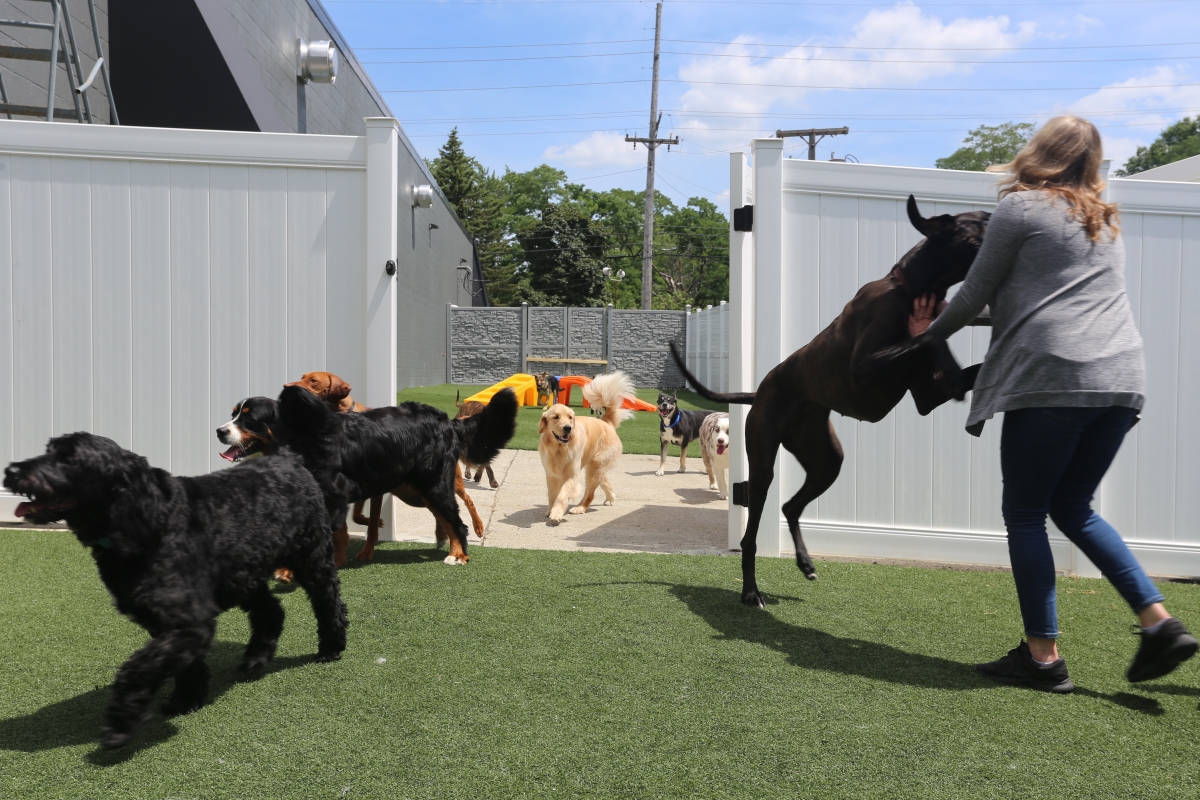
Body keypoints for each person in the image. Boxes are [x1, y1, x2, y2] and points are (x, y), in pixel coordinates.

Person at [908, 115, 1197, 693]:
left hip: (1053, 380)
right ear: (1090, 162)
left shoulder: (1022, 207)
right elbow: (1033, 302)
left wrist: (926, 332)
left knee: (1024, 513)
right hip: (1119, 381)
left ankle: (1043, 659)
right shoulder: (1103, 219)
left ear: (1039, 151)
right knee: (1074, 507)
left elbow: (978, 293)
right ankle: (1158, 622)